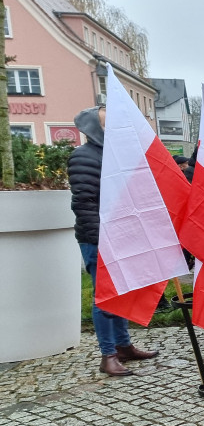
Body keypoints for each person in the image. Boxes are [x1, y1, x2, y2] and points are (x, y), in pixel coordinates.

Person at [69, 106, 159, 376]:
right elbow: (84, 204)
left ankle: (123, 346)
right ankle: (108, 354)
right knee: (104, 297)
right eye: (110, 124)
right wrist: (103, 240)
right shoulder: (84, 157)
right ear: (95, 128)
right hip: (98, 240)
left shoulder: (115, 156)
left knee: (121, 292)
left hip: (120, 236)